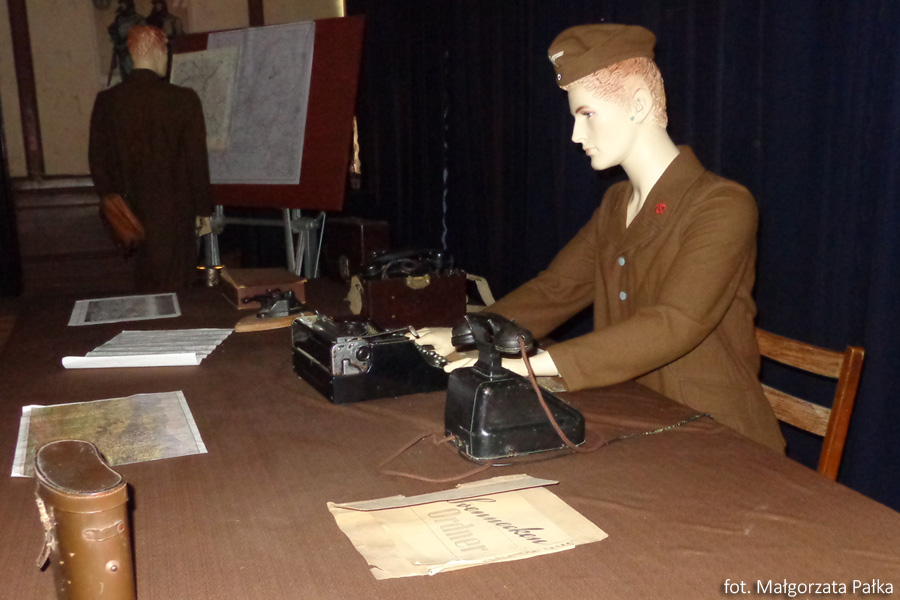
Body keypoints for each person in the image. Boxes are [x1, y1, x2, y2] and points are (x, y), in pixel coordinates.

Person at [415, 24, 785, 452]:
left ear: (639, 105)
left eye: (587, 114)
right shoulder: (617, 204)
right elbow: (557, 289)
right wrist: (466, 333)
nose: (576, 135)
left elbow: (675, 323)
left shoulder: (723, 205)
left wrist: (535, 365)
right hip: (636, 415)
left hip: (720, 438)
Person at [89, 25, 212, 292]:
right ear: (157, 51)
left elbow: (98, 162)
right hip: (174, 213)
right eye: (166, 52)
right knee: (177, 287)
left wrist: (114, 202)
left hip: (128, 216)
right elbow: (196, 161)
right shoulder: (183, 99)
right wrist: (204, 209)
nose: (167, 59)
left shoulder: (107, 101)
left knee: (141, 288)